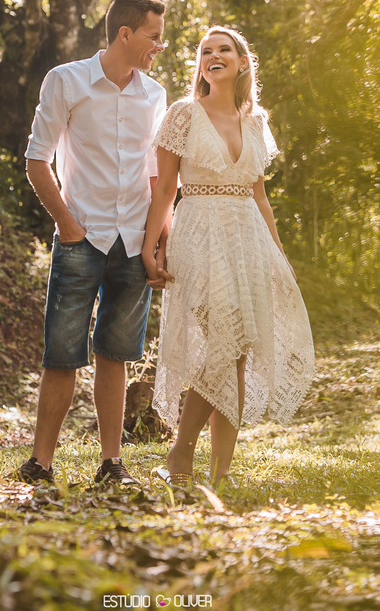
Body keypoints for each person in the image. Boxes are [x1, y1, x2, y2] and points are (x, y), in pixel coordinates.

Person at [141, 25, 314, 488]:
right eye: (205, 51)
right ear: (200, 65)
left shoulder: (255, 121)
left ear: (241, 62)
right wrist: (150, 245)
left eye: (224, 50)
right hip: (198, 232)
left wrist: (278, 253)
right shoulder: (182, 114)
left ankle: (218, 474)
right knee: (225, 341)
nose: (213, 56)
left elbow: (259, 195)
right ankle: (181, 455)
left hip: (248, 238)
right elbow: (164, 189)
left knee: (235, 351)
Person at [14, 0, 169, 486]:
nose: (159, 47)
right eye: (153, 36)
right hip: (82, 238)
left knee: (116, 354)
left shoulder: (155, 95)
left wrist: (158, 239)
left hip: (133, 242)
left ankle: (111, 463)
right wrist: (67, 224)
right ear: (125, 33)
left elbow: (155, 176)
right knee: (62, 354)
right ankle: (41, 462)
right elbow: (37, 159)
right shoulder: (67, 81)